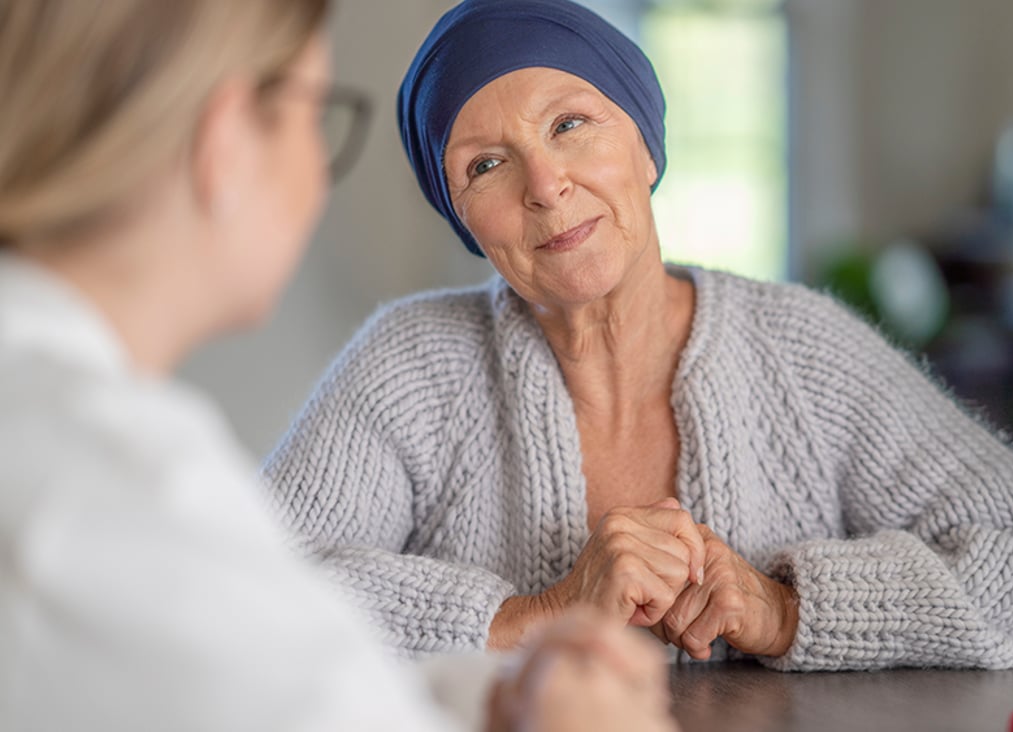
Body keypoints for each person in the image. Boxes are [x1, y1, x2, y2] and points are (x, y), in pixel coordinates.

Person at [265, 0, 1013, 672]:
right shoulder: (410, 365)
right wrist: (530, 619)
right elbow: (240, 590)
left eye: (571, 124)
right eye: (485, 164)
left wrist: (788, 611)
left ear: (644, 143)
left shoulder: (804, 352)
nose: (546, 185)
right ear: (463, 216)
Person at [0, 1, 676, 731]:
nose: (545, 186)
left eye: (570, 126)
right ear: (227, 144)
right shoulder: (125, 490)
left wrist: (481, 698)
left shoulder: (66, 441)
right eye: (318, 114)